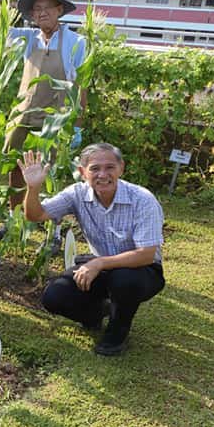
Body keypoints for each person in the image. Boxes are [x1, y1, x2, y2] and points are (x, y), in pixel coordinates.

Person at [17, 144, 164, 356]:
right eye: (95, 168)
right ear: (82, 172)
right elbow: (35, 215)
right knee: (54, 296)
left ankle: (117, 334)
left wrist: (99, 263)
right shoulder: (77, 193)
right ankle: (96, 313)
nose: (102, 175)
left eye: (110, 167)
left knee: (124, 281)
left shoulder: (142, 200)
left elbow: (146, 254)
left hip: (142, 270)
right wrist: (33, 188)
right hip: (101, 266)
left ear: (121, 168)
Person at [0, 0, 88, 241]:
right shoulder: (29, 38)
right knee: (15, 169)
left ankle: (52, 232)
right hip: (23, 114)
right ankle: (13, 223)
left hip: (54, 120)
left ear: (59, 10)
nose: (41, 13)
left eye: (47, 7)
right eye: (36, 8)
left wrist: (77, 124)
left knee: (48, 174)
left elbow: (80, 84)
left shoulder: (75, 43)